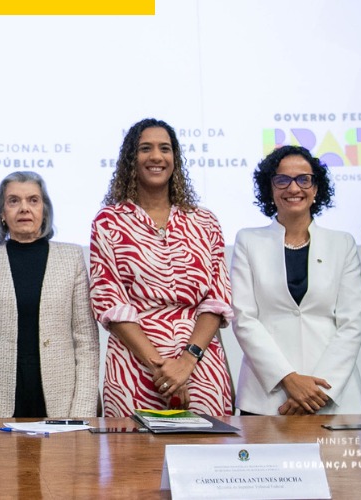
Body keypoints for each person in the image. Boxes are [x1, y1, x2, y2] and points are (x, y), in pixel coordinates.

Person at [89, 118, 234, 417]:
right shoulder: (109, 221)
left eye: (165, 148)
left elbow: (216, 301)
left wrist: (186, 362)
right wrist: (163, 370)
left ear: (175, 159)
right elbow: (110, 302)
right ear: (131, 159)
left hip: (200, 367)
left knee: (205, 460)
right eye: (145, 148)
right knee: (134, 462)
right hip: (134, 369)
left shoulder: (205, 222)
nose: (156, 156)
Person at [230, 146, 361, 416]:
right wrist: (289, 379)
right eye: (282, 180)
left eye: (304, 179)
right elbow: (244, 318)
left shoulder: (342, 243)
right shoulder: (248, 241)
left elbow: (352, 322)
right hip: (268, 397)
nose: (294, 188)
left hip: (332, 395)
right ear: (270, 189)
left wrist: (317, 391)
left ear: (316, 189)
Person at [0, 171, 100, 418]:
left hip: (61, 400)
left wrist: (81, 414)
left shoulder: (72, 258)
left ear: (44, 210)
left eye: (33, 200)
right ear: (2, 213)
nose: (24, 208)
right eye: (14, 201)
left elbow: (86, 344)